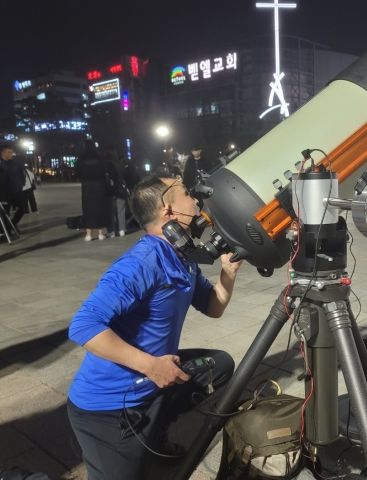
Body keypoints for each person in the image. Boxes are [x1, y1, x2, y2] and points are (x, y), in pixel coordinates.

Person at [67, 172, 241, 480]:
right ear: (168, 210)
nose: (195, 198)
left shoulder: (182, 256)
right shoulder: (142, 263)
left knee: (222, 365)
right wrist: (151, 367)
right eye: (187, 192)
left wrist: (227, 272)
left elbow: (213, 307)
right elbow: (83, 325)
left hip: (154, 383)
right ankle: (9, 475)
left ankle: (157, 427)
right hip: (109, 407)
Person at [74, 141, 113, 241]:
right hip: (100, 185)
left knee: (88, 209)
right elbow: (108, 170)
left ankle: (88, 234)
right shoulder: (101, 158)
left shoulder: (81, 158)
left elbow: (76, 173)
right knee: (100, 209)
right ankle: (101, 233)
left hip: (87, 186)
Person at [0, 145, 26, 231]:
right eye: (9, 152)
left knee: (23, 208)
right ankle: (4, 229)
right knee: (5, 212)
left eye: (12, 152)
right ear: (3, 152)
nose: (11, 154)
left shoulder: (14, 163)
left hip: (16, 191)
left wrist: (21, 183)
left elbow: (20, 173)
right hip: (4, 192)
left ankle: (12, 224)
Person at [105, 146, 127, 237]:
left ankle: (112, 231)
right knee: (121, 210)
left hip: (111, 189)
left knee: (111, 211)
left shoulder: (107, 164)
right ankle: (122, 229)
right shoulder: (120, 164)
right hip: (120, 188)